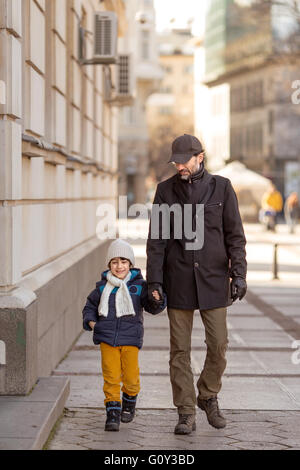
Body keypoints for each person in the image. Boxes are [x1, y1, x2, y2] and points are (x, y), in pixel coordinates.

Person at [146, 134, 247, 435]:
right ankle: (186, 411)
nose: (180, 166)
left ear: (200, 157)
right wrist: (155, 281)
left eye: (185, 160)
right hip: (177, 281)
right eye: (176, 162)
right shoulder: (165, 191)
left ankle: (207, 394)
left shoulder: (223, 188)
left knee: (218, 345)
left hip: (214, 280)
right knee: (180, 351)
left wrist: (239, 274)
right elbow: (157, 242)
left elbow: (235, 236)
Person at [82, 238, 166, 432]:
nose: (119, 266)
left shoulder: (139, 286)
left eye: (123, 262)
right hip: (107, 338)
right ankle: (112, 411)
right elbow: (90, 306)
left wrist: (157, 300)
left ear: (130, 264)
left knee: (130, 376)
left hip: (130, 338)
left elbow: (152, 308)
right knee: (110, 376)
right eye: (114, 262)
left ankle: (129, 400)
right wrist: (92, 322)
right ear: (109, 265)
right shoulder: (102, 287)